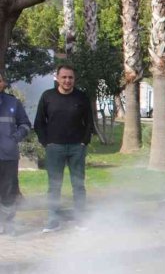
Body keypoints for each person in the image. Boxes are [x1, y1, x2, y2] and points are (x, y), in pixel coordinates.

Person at [33, 65, 94, 232]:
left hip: (77, 148)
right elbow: (39, 122)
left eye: (70, 77)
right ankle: (53, 220)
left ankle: (80, 219)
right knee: (54, 185)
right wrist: (46, 142)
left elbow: (89, 121)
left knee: (78, 185)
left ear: (74, 79)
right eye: (64, 77)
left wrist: (84, 141)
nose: (67, 80)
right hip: (54, 148)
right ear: (57, 78)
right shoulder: (48, 96)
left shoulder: (81, 97)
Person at [0, 73, 32, 236]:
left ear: (3, 83)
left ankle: (8, 223)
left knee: (8, 191)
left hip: (8, 155)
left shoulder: (13, 102)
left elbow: (25, 124)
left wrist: (15, 138)